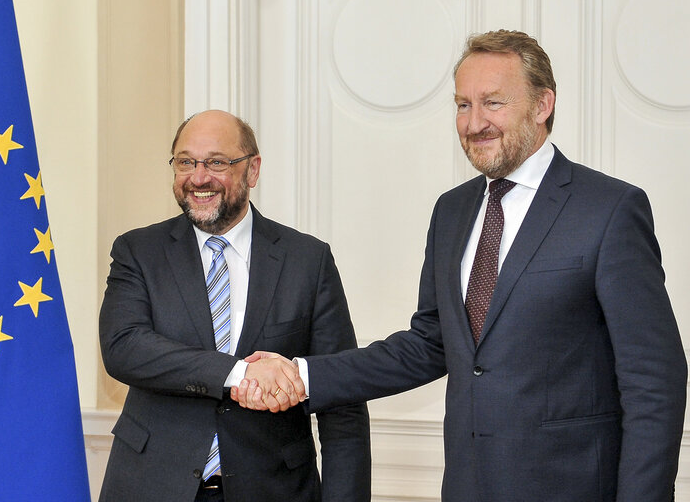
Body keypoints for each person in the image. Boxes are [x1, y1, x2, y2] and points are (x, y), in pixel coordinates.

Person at [231, 30, 687, 501]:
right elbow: (430, 344)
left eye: (493, 103)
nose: (474, 123)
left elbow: (655, 380)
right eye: (462, 105)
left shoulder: (610, 210)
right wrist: (302, 376)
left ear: (542, 104)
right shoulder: (452, 211)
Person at [98, 109, 371, 502]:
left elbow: (341, 396)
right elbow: (124, 347)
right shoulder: (137, 251)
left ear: (252, 170)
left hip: (274, 490)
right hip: (153, 484)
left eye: (217, 162)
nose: (199, 177)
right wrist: (237, 373)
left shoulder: (307, 260)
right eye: (185, 162)